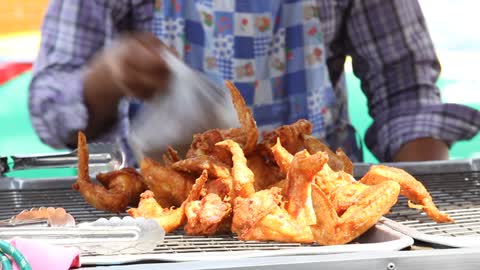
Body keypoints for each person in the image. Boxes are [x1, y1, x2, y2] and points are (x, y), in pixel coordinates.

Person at [29, 0, 480, 164]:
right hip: (155, 224)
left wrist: (419, 213)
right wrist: (109, 75)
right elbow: (51, 112)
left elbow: (406, 94)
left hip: (319, 218)